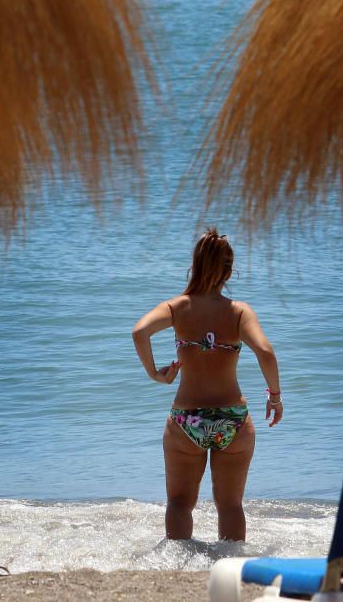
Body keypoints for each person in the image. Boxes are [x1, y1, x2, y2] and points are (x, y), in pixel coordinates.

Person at [132, 228, 282, 541]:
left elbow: (140, 332)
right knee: (230, 505)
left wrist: (154, 374)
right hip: (233, 420)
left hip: (188, 419)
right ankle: (231, 563)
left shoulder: (177, 307)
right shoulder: (240, 312)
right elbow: (266, 352)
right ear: (229, 271)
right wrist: (275, 396)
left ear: (195, 265)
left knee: (179, 503)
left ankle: (177, 565)